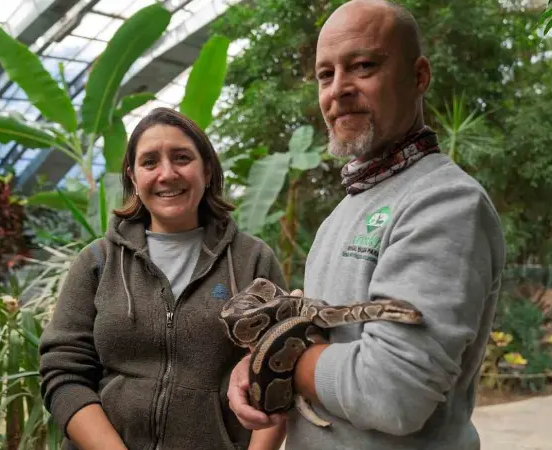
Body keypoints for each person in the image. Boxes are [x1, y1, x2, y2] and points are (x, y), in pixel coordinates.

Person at [227, 0, 506, 449]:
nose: (338, 90)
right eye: (325, 74)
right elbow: (324, 335)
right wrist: (257, 364)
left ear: (419, 76)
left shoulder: (445, 202)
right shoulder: (347, 209)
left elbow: (391, 393)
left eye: (362, 66)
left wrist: (273, 354)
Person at [39, 107, 288, 450]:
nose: (167, 174)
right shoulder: (98, 261)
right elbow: (63, 374)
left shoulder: (252, 261)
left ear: (208, 168)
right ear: (133, 176)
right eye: (150, 162)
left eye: (182, 158)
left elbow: (278, 374)